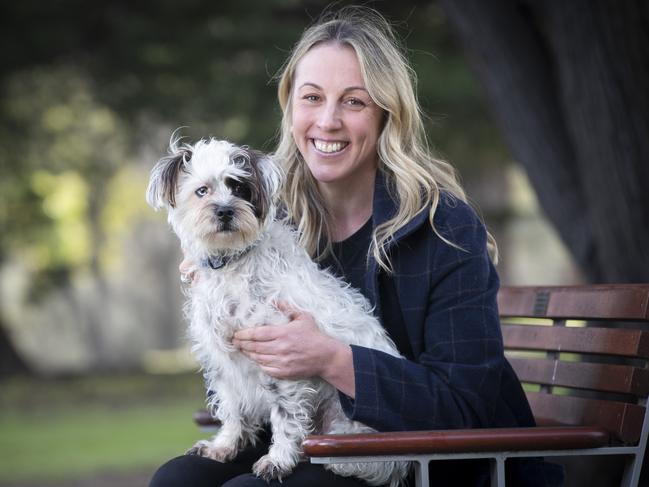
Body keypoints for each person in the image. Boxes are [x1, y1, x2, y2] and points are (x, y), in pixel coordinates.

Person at [149, 6, 563, 487]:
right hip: (313, 438)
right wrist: (216, 287)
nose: (328, 121)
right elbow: (251, 377)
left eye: (354, 102)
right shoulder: (269, 219)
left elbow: (465, 406)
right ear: (290, 107)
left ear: (388, 113)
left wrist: (330, 358)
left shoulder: (444, 227)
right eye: (312, 98)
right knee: (177, 481)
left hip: (433, 462)